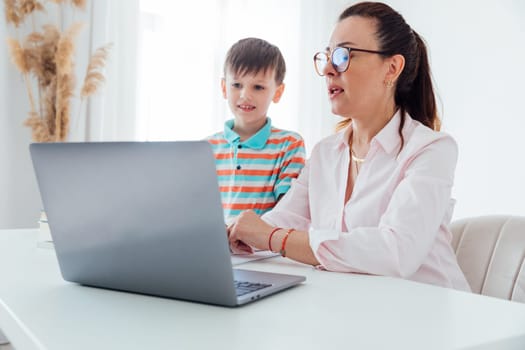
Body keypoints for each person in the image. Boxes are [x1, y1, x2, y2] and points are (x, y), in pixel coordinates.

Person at [228, 2, 470, 291]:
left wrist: (272, 237)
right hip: (356, 310)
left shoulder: (432, 150)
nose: (329, 69)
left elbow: (395, 252)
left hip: (430, 317)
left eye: (343, 55)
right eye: (328, 56)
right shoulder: (325, 154)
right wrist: (236, 235)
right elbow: (278, 223)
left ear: (391, 68)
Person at [207, 38, 306, 225]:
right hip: (214, 249)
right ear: (223, 87)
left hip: (264, 251)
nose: (245, 95)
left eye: (258, 87)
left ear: (278, 92)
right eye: (236, 85)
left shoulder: (289, 145)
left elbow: (287, 213)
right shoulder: (205, 148)